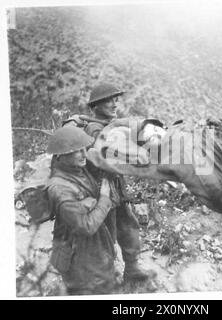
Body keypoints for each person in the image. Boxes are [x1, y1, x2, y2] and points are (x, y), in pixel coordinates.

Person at [84, 83, 154, 282]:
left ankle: (131, 268)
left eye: (116, 99)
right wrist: (134, 156)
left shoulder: (110, 126)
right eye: (109, 100)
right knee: (107, 234)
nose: (115, 104)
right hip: (100, 189)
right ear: (96, 105)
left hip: (115, 185)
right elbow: (106, 154)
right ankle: (106, 280)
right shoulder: (94, 128)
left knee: (128, 225)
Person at [46, 126, 117, 295]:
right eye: (77, 151)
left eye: (84, 149)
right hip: (80, 260)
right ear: (61, 155)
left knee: (105, 282)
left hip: (94, 250)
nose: (84, 154)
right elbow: (86, 227)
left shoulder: (77, 170)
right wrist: (104, 199)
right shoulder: (60, 188)